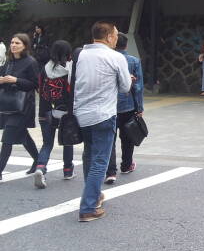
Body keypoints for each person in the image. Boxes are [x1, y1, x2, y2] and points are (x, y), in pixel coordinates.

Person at [73, 21, 131, 222]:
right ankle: (88, 207)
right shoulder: (115, 57)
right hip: (104, 115)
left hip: (82, 115)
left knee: (89, 156)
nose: (116, 39)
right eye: (115, 36)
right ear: (108, 37)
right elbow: (125, 87)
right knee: (100, 161)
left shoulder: (80, 55)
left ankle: (95, 196)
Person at [33, 40, 76, 188]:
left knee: (47, 143)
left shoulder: (44, 69)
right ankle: (68, 170)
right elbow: (72, 92)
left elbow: (39, 87)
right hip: (64, 111)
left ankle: (40, 168)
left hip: (45, 110)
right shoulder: (69, 70)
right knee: (67, 141)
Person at [104, 34, 144, 184]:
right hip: (128, 105)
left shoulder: (108, 59)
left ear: (113, 43)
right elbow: (138, 87)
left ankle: (110, 172)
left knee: (110, 139)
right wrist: (139, 107)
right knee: (127, 138)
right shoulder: (134, 61)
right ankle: (126, 165)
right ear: (126, 45)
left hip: (109, 106)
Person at [0, 34, 40, 180]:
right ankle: (38, 160)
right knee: (22, 135)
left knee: (8, 137)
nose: (14, 45)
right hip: (9, 104)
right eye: (12, 42)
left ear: (25, 46)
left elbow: (35, 84)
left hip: (24, 105)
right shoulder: (9, 62)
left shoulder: (31, 62)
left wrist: (16, 80)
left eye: (17, 43)